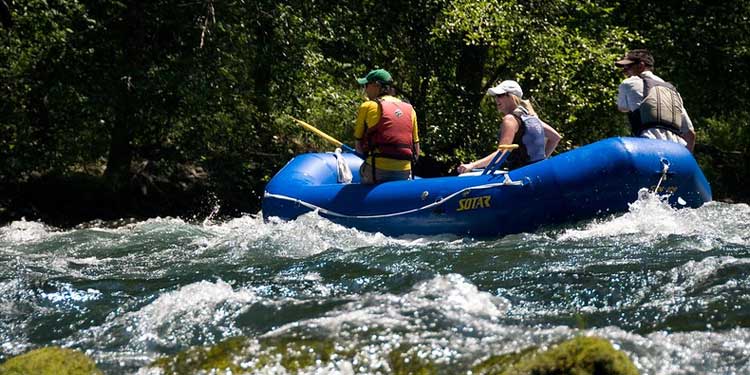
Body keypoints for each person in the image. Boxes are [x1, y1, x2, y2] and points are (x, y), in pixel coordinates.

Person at [457, 80, 561, 173]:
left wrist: (472, 165)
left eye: (500, 95)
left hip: (520, 176)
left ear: (511, 96)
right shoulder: (532, 118)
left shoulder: (510, 120)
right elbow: (555, 138)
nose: (496, 99)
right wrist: (541, 162)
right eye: (495, 96)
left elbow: (502, 153)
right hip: (538, 173)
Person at [615, 49, 696, 151]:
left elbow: (622, 108)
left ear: (640, 65)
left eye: (627, 67)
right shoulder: (674, 91)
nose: (624, 72)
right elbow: (690, 134)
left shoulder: (628, 83)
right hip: (676, 150)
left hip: (648, 144)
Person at [354, 69, 420, 184]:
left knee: (360, 172)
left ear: (376, 86)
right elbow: (416, 151)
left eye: (366, 85)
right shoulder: (410, 109)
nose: (365, 90)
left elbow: (358, 146)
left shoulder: (368, 106)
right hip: (404, 171)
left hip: (376, 170)